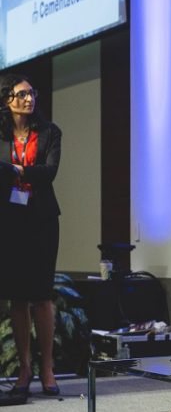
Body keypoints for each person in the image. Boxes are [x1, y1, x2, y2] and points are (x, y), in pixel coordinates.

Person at [0, 75, 62, 405]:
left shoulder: (50, 132)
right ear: (8, 100)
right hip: (10, 222)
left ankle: (48, 368)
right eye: (22, 94)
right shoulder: (1, 134)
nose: (29, 99)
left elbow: (49, 171)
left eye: (32, 94)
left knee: (41, 295)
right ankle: (24, 370)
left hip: (41, 220)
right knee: (17, 297)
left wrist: (17, 170)